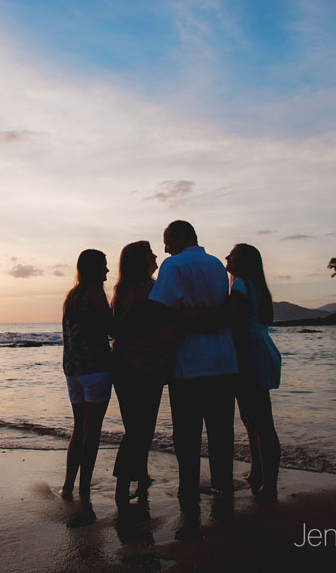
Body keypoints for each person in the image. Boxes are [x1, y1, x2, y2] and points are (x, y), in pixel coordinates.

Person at [148, 221, 238, 518]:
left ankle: (188, 490)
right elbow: (223, 311)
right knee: (221, 431)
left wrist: (185, 319)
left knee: (187, 434)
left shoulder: (174, 266)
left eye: (167, 241)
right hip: (224, 361)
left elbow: (159, 311)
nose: (164, 249)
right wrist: (208, 317)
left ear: (181, 237)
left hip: (189, 362)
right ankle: (223, 487)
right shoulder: (215, 265)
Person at [110, 241, 176, 516]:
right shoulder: (145, 289)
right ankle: (124, 484)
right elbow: (126, 328)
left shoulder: (124, 289)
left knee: (138, 427)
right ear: (141, 260)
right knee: (141, 428)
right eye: (150, 254)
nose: (156, 255)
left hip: (131, 366)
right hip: (142, 366)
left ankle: (139, 475)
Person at [225, 243, 282, 503]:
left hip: (250, 354)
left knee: (259, 422)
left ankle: (268, 483)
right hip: (261, 349)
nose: (227, 256)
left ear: (244, 261)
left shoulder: (239, 284)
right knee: (253, 420)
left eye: (233, 254)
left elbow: (229, 318)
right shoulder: (256, 285)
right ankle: (257, 472)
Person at [60, 248, 112, 527]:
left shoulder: (72, 296)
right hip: (96, 370)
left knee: (78, 428)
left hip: (73, 371)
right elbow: (111, 328)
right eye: (103, 266)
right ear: (94, 269)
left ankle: (68, 486)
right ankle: (84, 491)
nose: (107, 271)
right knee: (92, 432)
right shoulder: (95, 293)